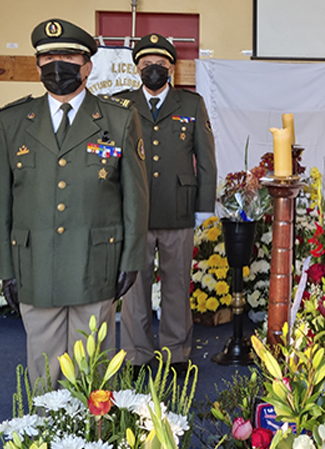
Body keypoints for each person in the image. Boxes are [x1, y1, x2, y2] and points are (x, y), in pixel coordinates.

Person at [0, 18, 149, 389]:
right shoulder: (12, 121)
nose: (56, 65)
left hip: (96, 263)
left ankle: (92, 443)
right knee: (43, 372)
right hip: (36, 264)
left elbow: (135, 197)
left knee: (93, 372)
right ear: (37, 66)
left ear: (87, 66)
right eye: (48, 58)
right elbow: (1, 202)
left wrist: (131, 260)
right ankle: (47, 444)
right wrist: (5, 266)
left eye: (67, 57)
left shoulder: (119, 118)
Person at [116, 34, 217, 374]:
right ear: (137, 69)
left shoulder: (191, 104)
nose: (154, 70)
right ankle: (136, 354)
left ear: (172, 67)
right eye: (147, 65)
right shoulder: (121, 105)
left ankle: (176, 352)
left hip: (179, 208)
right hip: (135, 213)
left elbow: (205, 159)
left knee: (176, 285)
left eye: (160, 64)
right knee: (134, 288)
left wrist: (205, 207)